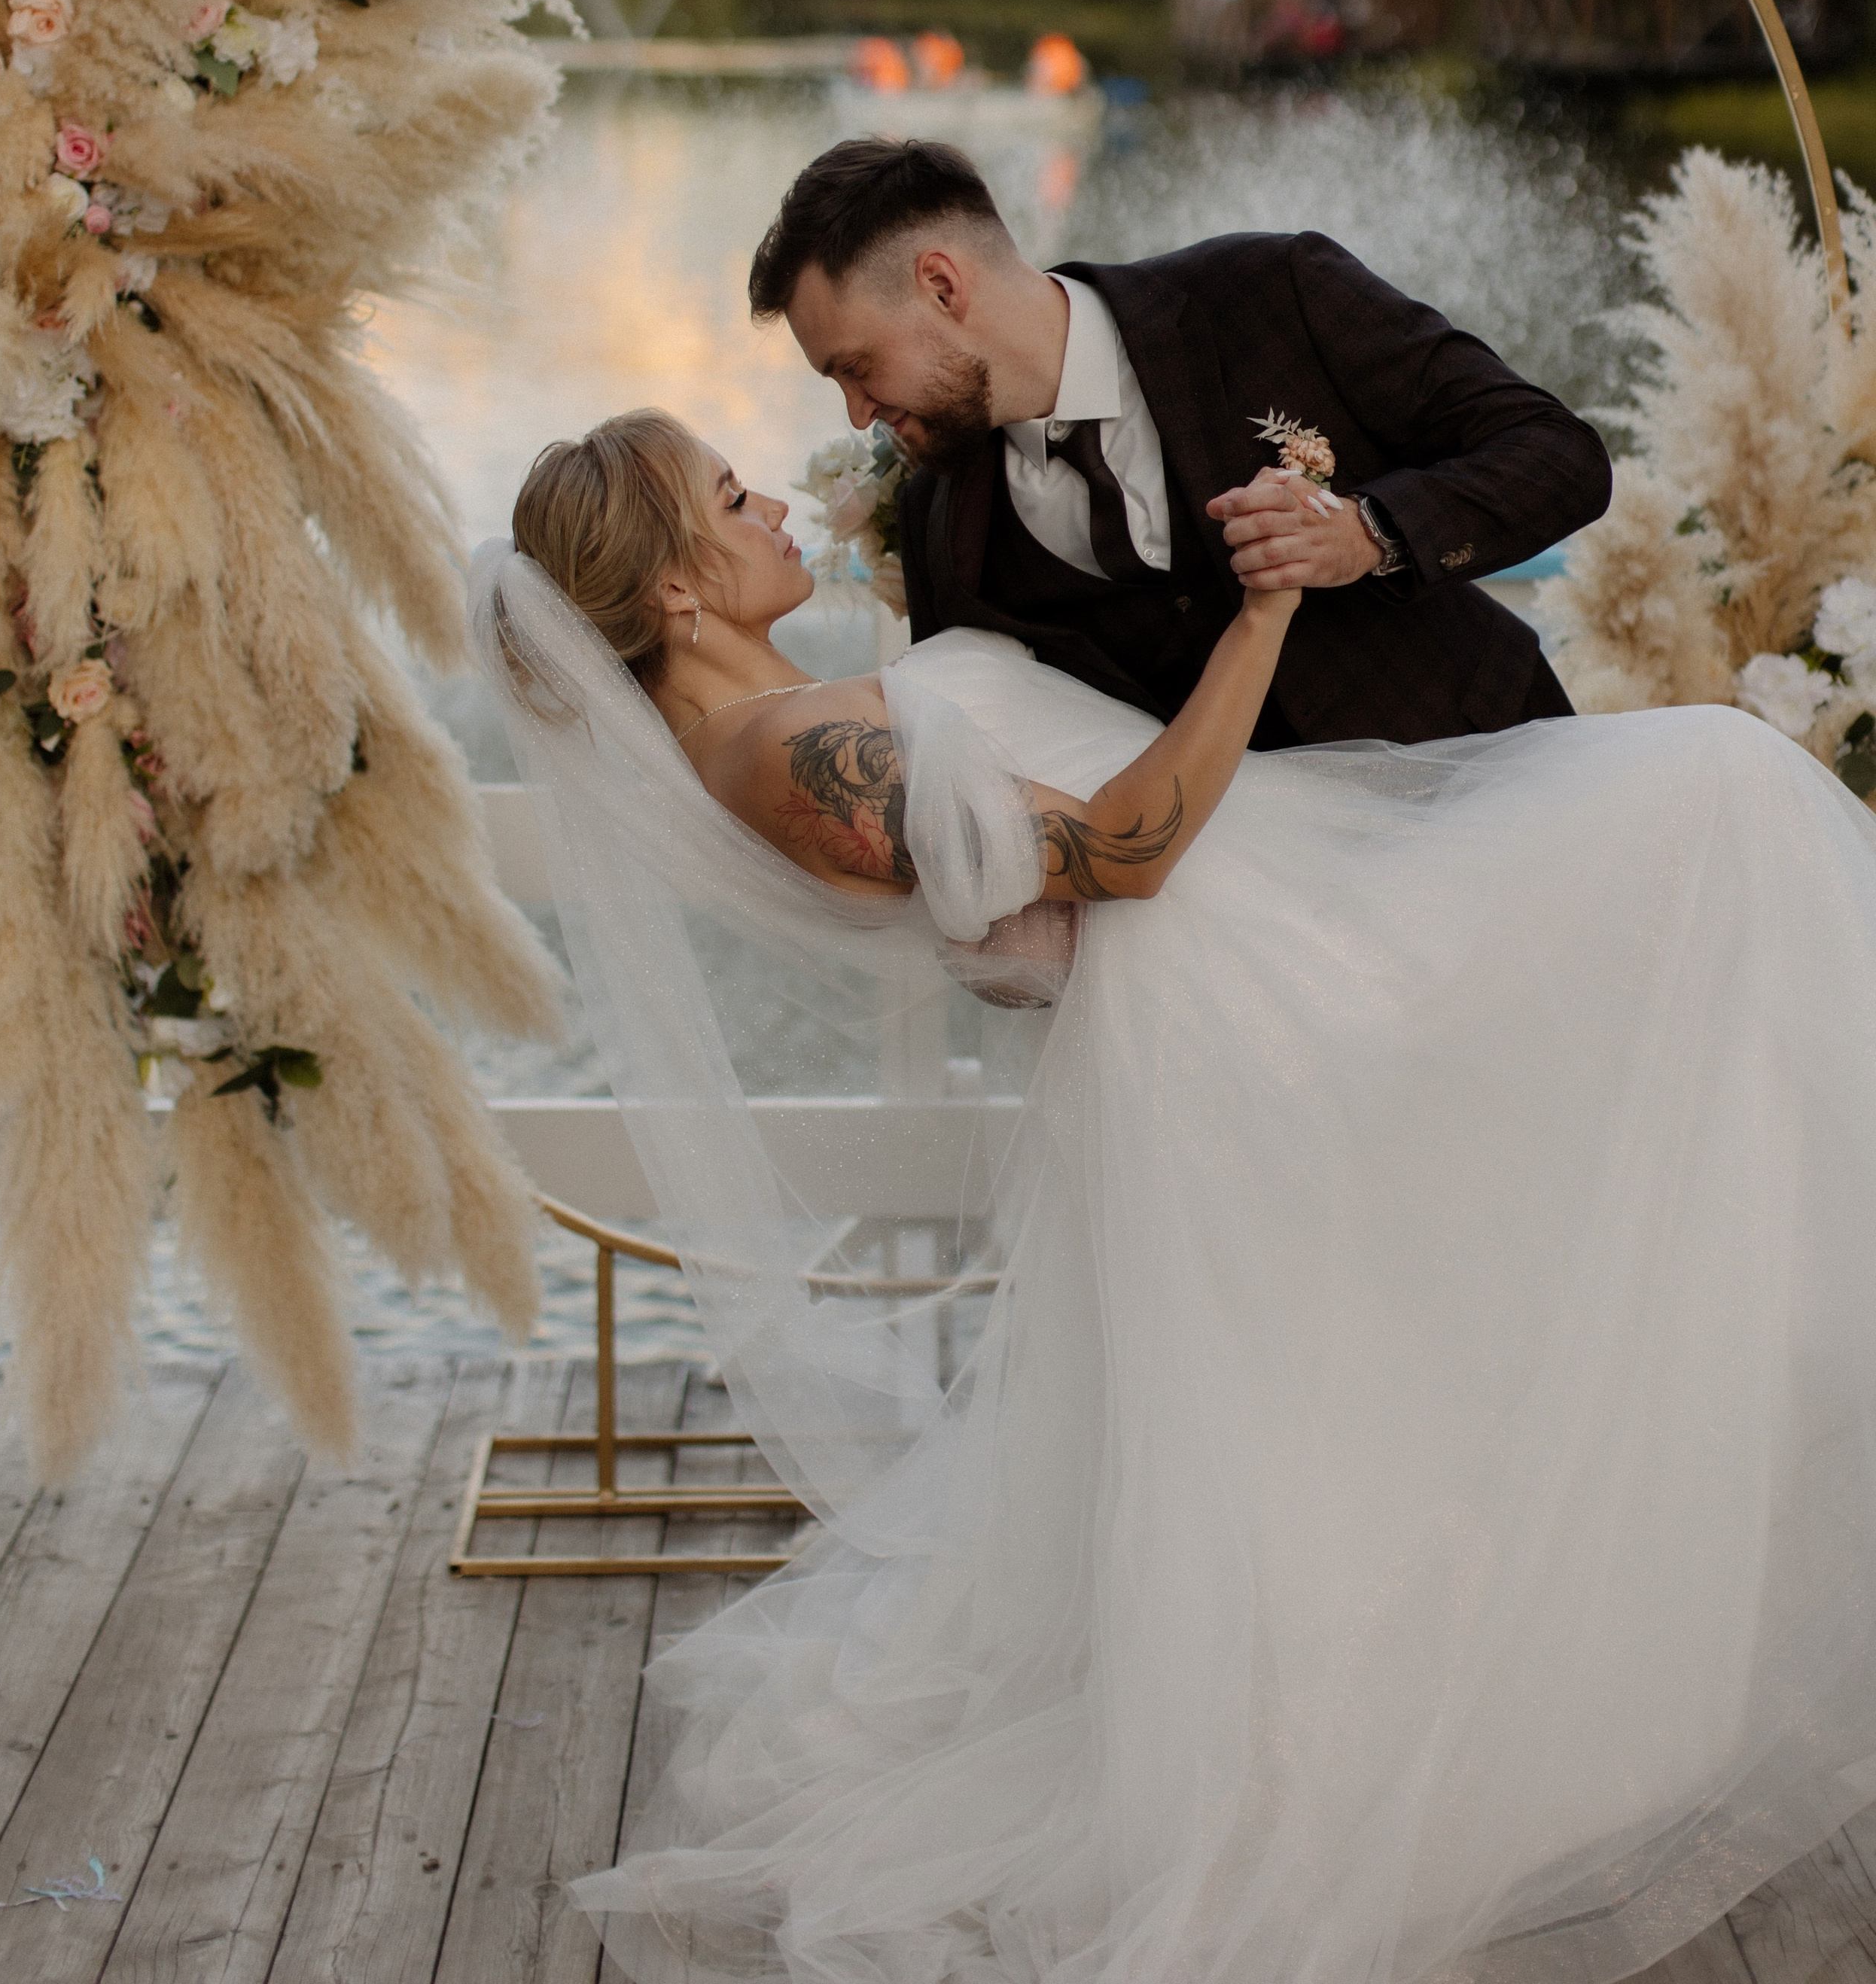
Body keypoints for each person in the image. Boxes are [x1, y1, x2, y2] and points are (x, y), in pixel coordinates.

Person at [477, 406, 1876, 1984]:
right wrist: (1267, 610)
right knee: (1711, 793)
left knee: (1708, 826)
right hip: (1247, 984)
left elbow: (1003, 913)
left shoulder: (801, 705)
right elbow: (1126, 849)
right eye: (731, 503)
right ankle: (1400, 1744)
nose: (775, 508)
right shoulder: (788, 757)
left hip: (1279, 925)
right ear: (670, 593)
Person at [747, 136, 1613, 743]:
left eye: (856, 367)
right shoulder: (941, 527)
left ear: (941, 285)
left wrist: (1366, 534)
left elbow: (1557, 453)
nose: (858, 414)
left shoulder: (1270, 292)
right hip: (1265, 938)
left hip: (1485, 780)